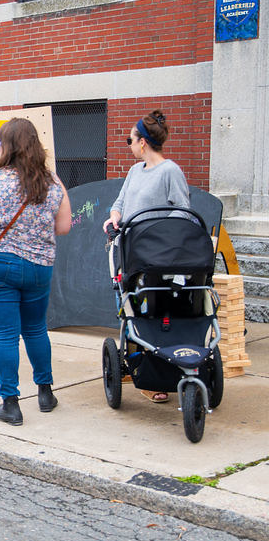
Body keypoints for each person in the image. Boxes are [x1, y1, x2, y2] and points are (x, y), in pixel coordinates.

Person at [0, 118, 72, 426]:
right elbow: (63, 227)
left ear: (5, 146)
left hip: (0, 267)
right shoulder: (52, 181)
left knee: (6, 335)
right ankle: (46, 393)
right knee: (36, 329)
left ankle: (10, 404)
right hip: (40, 267)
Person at [102, 109, 188, 403]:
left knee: (152, 310)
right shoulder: (134, 171)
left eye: (130, 139)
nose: (128, 144)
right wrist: (114, 217)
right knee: (128, 306)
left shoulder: (170, 171)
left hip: (159, 255)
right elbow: (120, 202)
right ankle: (135, 362)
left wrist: (157, 230)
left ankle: (155, 375)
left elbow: (183, 210)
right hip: (131, 251)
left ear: (143, 143)